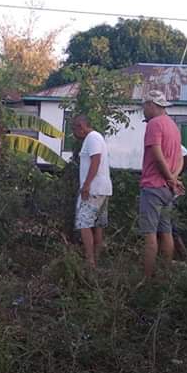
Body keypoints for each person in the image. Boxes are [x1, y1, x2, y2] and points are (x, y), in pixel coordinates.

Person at [138, 90, 183, 278]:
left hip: (153, 186)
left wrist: (169, 178)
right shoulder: (173, 126)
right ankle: (165, 275)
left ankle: (147, 280)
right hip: (168, 189)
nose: (143, 110)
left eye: (144, 106)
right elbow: (180, 158)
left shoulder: (154, 124)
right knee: (166, 232)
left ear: (151, 105)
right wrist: (172, 178)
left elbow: (156, 154)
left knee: (149, 235)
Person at [71, 114, 112, 268]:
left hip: (94, 189)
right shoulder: (96, 137)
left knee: (83, 223)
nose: (74, 133)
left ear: (81, 127)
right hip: (103, 189)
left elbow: (96, 160)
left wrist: (87, 185)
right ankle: (97, 259)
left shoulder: (92, 138)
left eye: (74, 129)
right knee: (98, 224)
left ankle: (90, 261)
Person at [172, 145, 187, 261]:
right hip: (166, 189)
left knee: (171, 228)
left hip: (168, 191)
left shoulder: (170, 139)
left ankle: (186, 259)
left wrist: (175, 175)